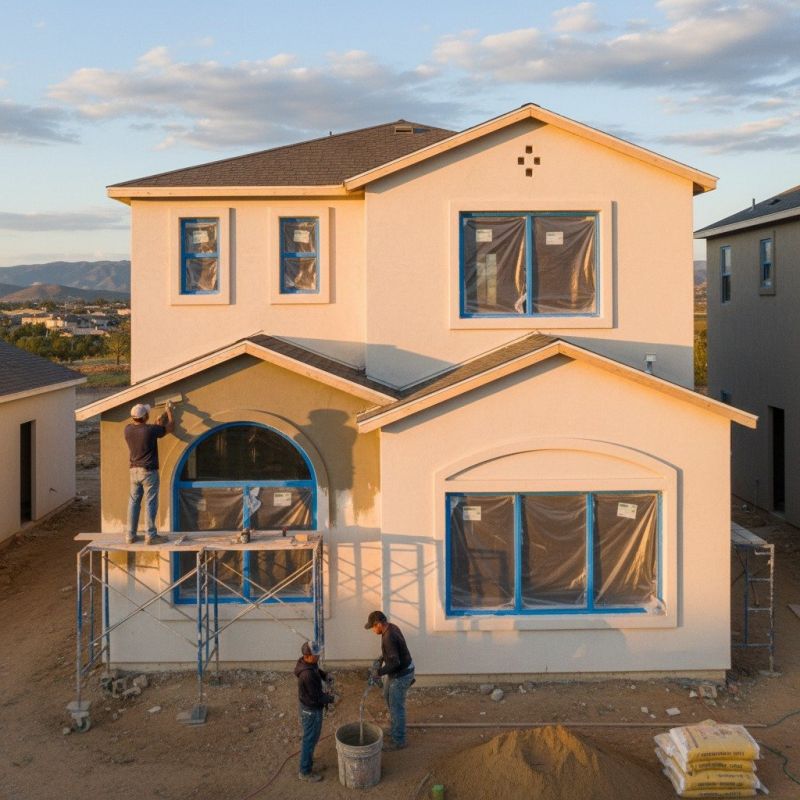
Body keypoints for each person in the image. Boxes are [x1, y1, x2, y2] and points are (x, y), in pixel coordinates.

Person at [124, 402, 174, 545]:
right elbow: (170, 427)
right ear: (145, 416)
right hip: (148, 472)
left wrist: (157, 424)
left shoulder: (127, 430)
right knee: (150, 502)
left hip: (134, 471)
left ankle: (130, 535)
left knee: (134, 502)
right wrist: (169, 412)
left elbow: (145, 432)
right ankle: (151, 535)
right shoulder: (151, 430)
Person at [365, 610, 415, 750]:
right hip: (397, 673)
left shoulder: (389, 637)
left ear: (379, 624)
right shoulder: (390, 628)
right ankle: (395, 729)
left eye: (373, 627)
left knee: (396, 707)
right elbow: (392, 653)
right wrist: (381, 659)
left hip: (402, 674)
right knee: (387, 696)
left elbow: (395, 663)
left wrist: (378, 673)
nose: (373, 630)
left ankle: (398, 740)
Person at [294, 641, 334, 782]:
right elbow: (317, 697)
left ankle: (309, 761)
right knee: (309, 740)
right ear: (308, 656)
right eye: (316, 655)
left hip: (310, 707)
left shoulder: (306, 663)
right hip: (311, 710)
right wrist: (332, 699)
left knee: (312, 738)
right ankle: (305, 772)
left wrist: (324, 675)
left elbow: (316, 669)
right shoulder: (307, 675)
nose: (318, 656)